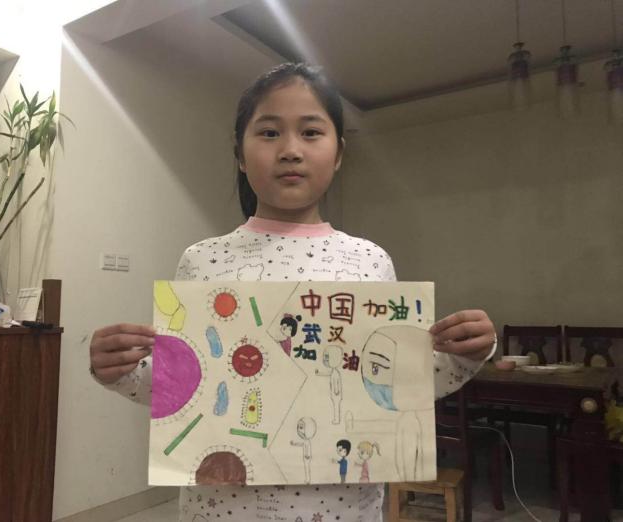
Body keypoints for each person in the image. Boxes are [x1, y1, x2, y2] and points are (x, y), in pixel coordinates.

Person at [89, 62, 496, 521]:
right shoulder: (202, 261)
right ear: (240, 155)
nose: (290, 150)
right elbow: (185, 388)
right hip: (220, 511)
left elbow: (395, 388)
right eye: (268, 133)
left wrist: (464, 355)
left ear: (338, 154)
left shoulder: (369, 261)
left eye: (311, 132)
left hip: (345, 509)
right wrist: (120, 371)